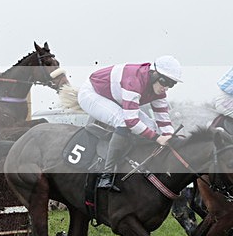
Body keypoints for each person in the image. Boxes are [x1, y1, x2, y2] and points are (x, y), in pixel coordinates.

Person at [77, 55, 182, 192]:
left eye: (171, 84)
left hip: (116, 97)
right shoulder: (134, 81)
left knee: (151, 126)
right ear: (154, 74)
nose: (166, 87)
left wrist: (170, 138)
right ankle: (106, 175)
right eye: (164, 82)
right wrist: (157, 138)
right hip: (92, 94)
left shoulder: (159, 91)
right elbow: (131, 122)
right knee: (123, 121)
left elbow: (163, 121)